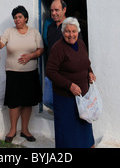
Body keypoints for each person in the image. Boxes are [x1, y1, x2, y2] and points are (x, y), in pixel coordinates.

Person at [46, 17, 96, 148]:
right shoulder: (58, 48)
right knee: (67, 132)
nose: (71, 35)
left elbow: (86, 62)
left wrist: (90, 72)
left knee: (83, 127)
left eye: (74, 31)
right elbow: (50, 71)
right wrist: (70, 85)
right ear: (63, 32)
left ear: (78, 31)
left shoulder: (81, 44)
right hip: (65, 99)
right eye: (67, 31)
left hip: (82, 97)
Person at [0, 5, 44, 143]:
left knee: (27, 102)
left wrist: (31, 56)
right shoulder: (9, 32)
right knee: (14, 103)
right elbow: (0, 45)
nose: (17, 19)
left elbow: (41, 49)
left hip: (30, 73)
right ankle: (12, 130)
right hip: (13, 73)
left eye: (19, 17)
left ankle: (25, 130)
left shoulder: (34, 32)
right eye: (15, 17)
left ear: (26, 18)